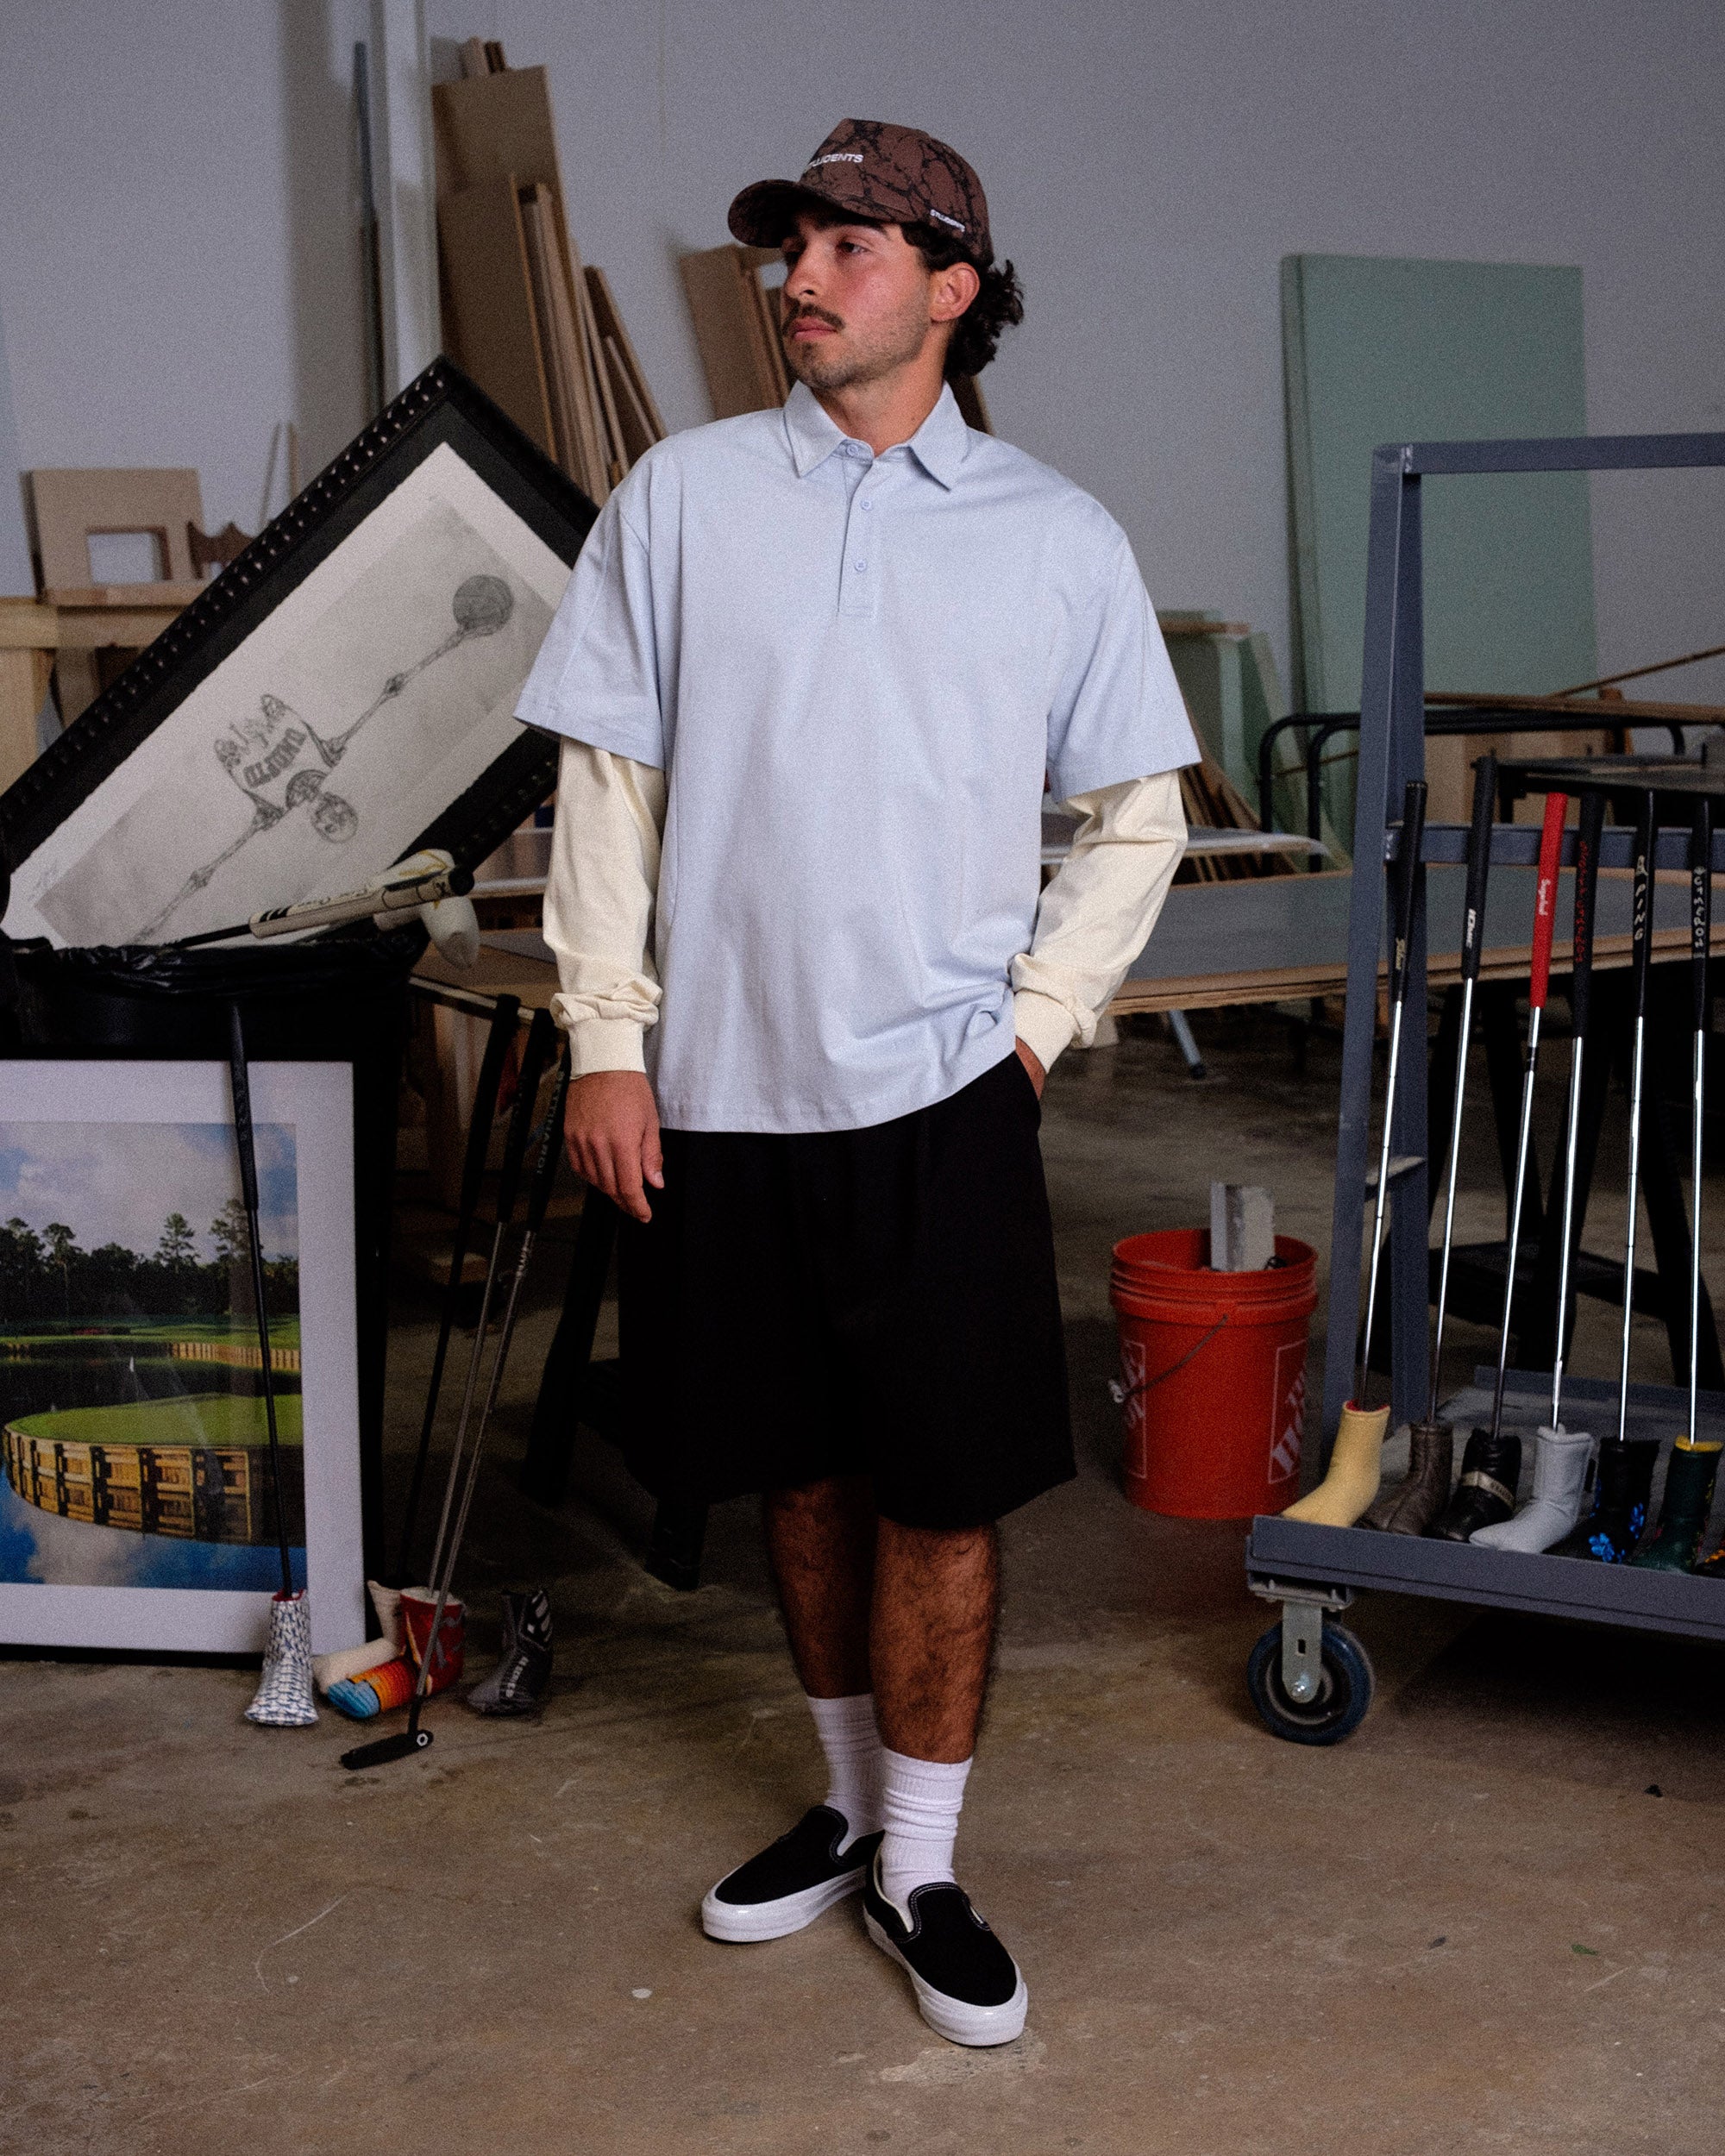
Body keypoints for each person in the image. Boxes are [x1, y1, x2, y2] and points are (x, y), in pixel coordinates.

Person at [518, 118, 1196, 2048]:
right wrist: (606, 1038)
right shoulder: (679, 494)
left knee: (945, 1489)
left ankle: (925, 1855)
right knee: (794, 1476)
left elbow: (1135, 817)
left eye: (850, 244)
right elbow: (609, 791)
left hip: (937, 1095)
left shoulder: (1054, 534)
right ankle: (839, 1800)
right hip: (717, 1095)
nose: (801, 276)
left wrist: (1037, 1027)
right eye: (791, 244)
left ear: (953, 285)